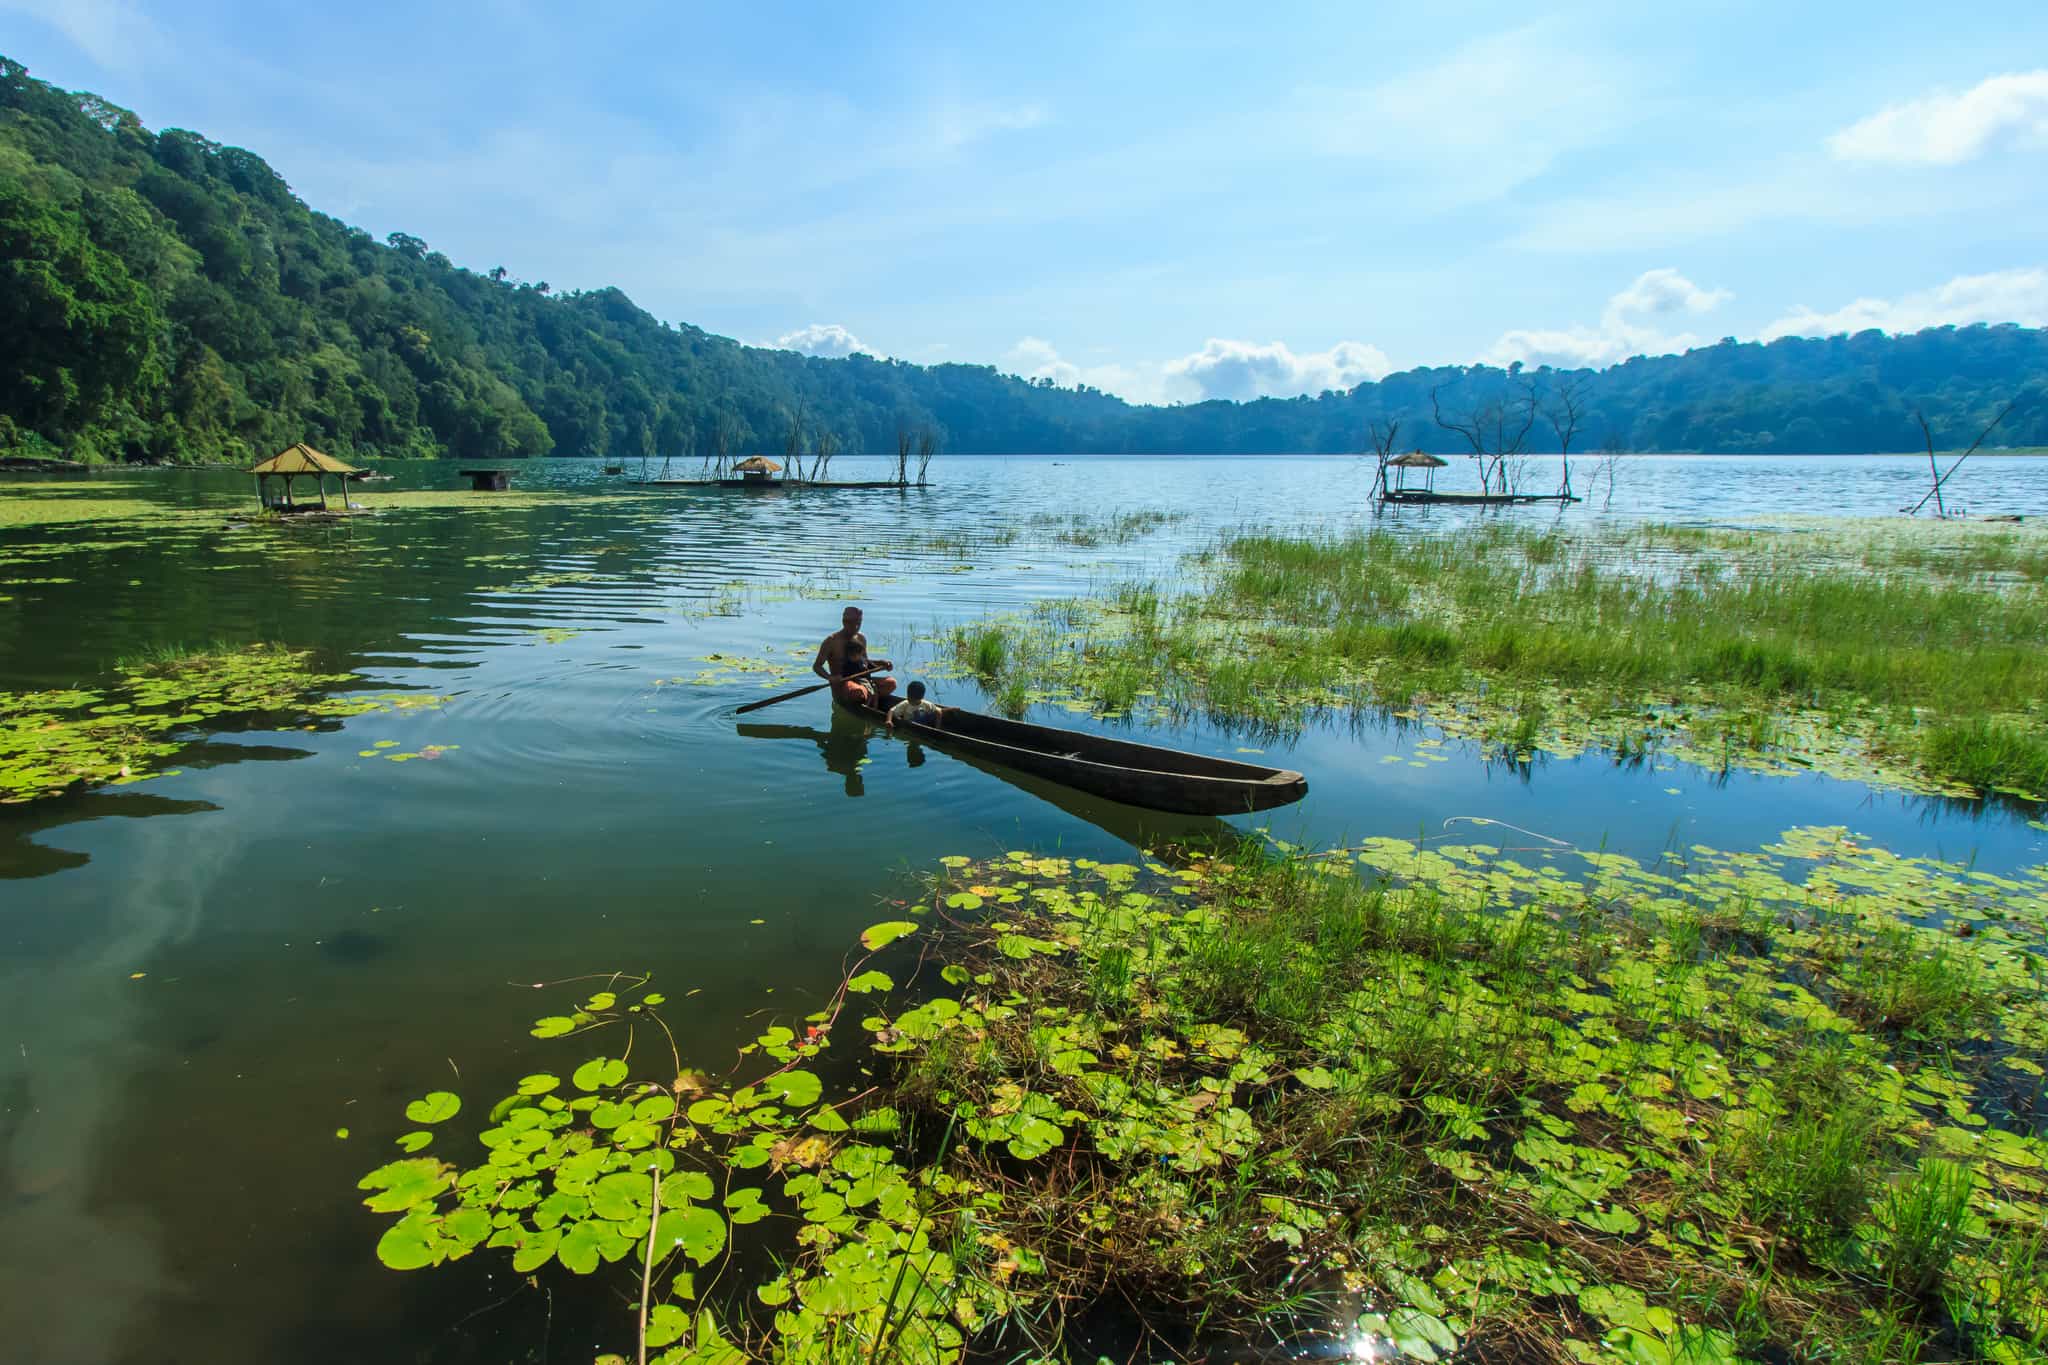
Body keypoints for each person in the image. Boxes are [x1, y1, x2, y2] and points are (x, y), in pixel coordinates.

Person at [812, 606, 897, 709]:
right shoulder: (831, 641)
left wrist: (882, 663)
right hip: (843, 684)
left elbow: (864, 663)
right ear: (844, 622)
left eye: (858, 623)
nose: (856, 627)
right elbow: (817, 666)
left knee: (891, 683)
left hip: (864, 680)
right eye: (852, 623)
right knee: (857, 692)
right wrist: (830, 677)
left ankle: (869, 696)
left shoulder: (861, 638)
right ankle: (866, 696)